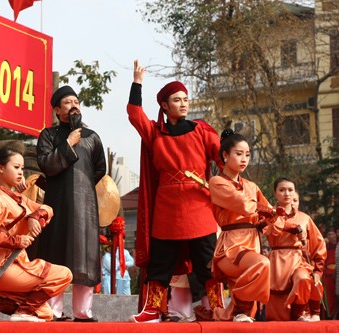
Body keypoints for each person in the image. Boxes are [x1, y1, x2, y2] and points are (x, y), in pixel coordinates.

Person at [128, 60, 223, 323]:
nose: (183, 104)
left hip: (199, 205)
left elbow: (222, 155)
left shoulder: (202, 130)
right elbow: (134, 115)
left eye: (185, 99)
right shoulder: (155, 133)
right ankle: (153, 311)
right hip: (167, 207)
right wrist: (137, 83)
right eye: (177, 99)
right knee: (161, 265)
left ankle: (217, 308)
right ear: (164, 105)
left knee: (208, 264)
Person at [0, 145, 72, 322]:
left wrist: (34, 217)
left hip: (19, 263)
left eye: (22, 168)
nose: (21, 172)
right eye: (16, 167)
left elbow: (48, 210)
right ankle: (22, 312)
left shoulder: (19, 199)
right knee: (63, 274)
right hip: (3, 266)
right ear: (1, 168)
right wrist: (16, 240)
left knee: (44, 313)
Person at [35, 85, 106, 322]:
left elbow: (99, 169)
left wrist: (82, 187)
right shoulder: (48, 135)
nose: (74, 105)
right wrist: (68, 143)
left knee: (84, 257)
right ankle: (53, 311)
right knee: (56, 254)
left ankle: (83, 313)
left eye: (76, 101)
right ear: (57, 109)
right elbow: (46, 165)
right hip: (58, 204)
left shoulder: (93, 136)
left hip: (85, 208)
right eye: (67, 102)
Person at [209, 129, 281, 323]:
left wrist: (274, 216)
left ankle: (227, 314)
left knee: (248, 314)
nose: (244, 159)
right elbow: (241, 204)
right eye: (239, 153)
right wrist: (266, 210)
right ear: (225, 155)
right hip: (231, 246)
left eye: (247, 155)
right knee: (261, 264)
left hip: (252, 243)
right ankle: (237, 311)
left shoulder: (252, 186)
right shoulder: (216, 182)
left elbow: (265, 217)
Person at [265, 178, 326, 321]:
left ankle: (299, 314)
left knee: (304, 278)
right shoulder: (268, 216)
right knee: (277, 313)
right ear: (275, 193)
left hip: (298, 259)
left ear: (295, 192)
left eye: (290, 190)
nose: (287, 193)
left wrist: (318, 269)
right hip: (276, 261)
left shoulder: (305, 218)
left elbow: (318, 244)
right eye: (282, 190)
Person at [324, 226, 337, 318]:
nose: (331, 236)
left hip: (337, 272)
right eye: (329, 234)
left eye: (332, 234)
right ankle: (331, 314)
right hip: (328, 274)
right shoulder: (325, 247)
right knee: (330, 296)